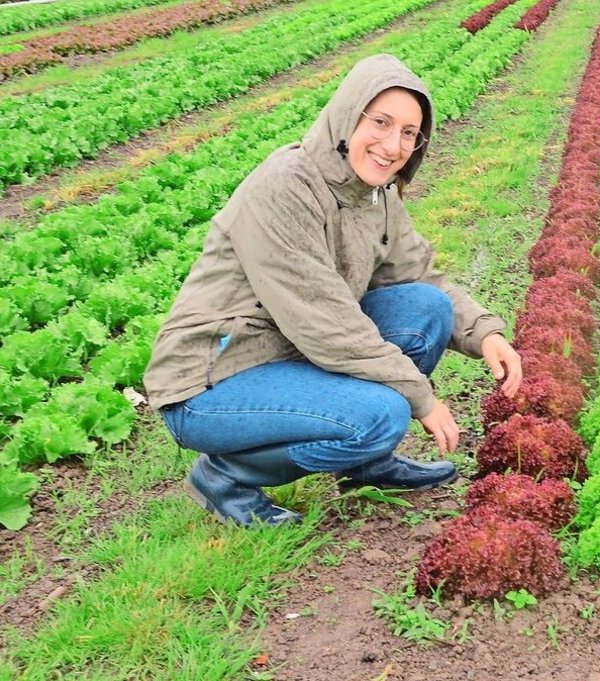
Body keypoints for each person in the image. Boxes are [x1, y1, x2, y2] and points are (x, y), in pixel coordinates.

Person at [144, 54, 522, 527]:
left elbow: (418, 274)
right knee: (382, 412)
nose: (393, 145)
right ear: (348, 115)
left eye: (409, 133)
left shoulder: (373, 192)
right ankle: (225, 476)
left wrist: (484, 332)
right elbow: (328, 327)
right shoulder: (286, 188)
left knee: (427, 309)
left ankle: (365, 463)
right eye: (381, 123)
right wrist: (419, 397)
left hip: (288, 349)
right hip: (212, 380)